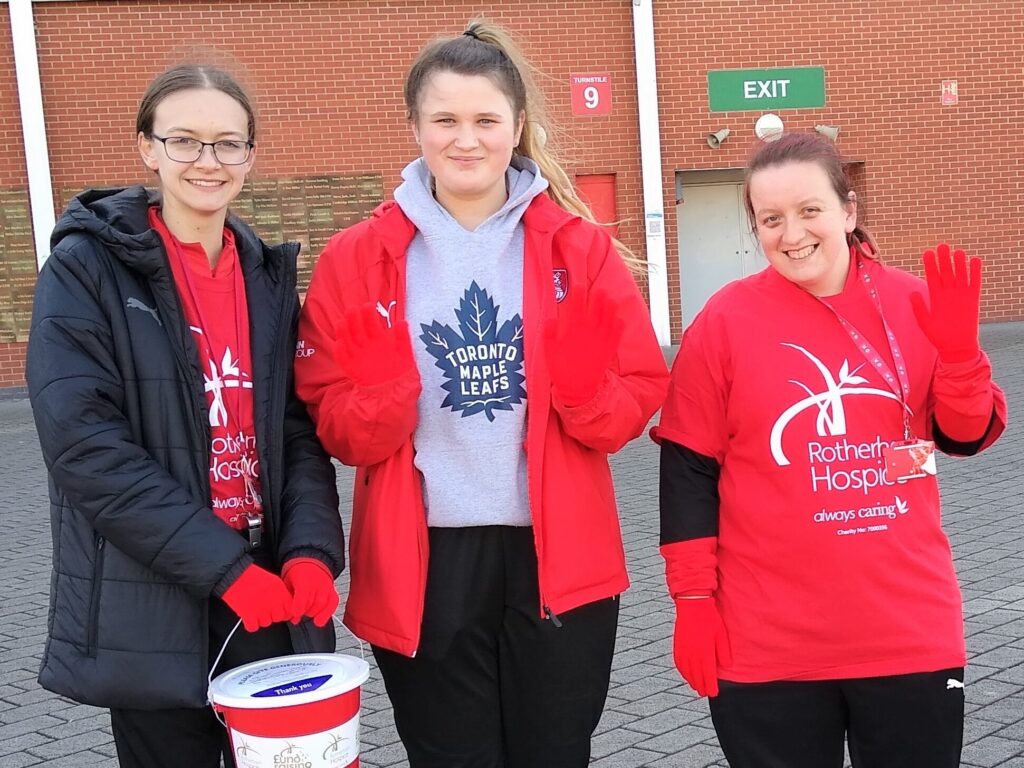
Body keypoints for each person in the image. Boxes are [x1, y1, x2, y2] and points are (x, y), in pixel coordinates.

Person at [294, 19, 668, 768]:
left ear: (517, 126)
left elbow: (636, 392)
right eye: (446, 120)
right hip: (423, 558)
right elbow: (334, 424)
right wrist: (384, 399)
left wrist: (591, 396)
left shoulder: (577, 248)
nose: (466, 139)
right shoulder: (357, 259)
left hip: (556, 556)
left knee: (554, 755)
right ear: (415, 126)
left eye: (486, 120)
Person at [653, 131, 1008, 767]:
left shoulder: (912, 302)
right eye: (771, 219)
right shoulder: (725, 322)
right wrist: (693, 600)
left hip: (907, 630)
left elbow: (963, 436)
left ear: (848, 211)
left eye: (810, 211)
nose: (792, 235)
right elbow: (687, 470)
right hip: (767, 642)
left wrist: (959, 360)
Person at [26, 64, 344, 768]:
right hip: (155, 593)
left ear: (251, 156)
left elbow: (296, 431)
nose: (208, 161)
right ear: (148, 148)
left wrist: (311, 553)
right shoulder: (86, 270)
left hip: (267, 588)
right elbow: (85, 449)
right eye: (185, 141)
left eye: (228, 143)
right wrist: (224, 569)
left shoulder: (266, 277)